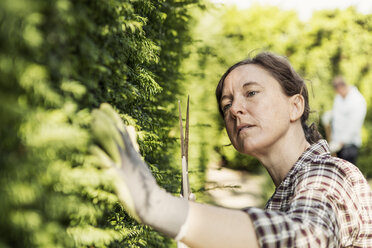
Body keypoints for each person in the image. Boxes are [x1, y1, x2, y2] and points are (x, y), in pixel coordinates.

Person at [91, 52, 372, 248]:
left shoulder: (331, 173)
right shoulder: (288, 191)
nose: (235, 109)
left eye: (251, 93)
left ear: (295, 106)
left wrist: (159, 206)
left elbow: (308, 238)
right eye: (226, 105)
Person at [329, 76, 367, 164]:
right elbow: (339, 114)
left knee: (347, 175)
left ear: (342, 87)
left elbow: (354, 125)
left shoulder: (357, 100)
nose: (338, 93)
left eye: (338, 91)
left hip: (349, 146)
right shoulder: (339, 97)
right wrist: (330, 115)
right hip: (337, 143)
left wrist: (341, 143)